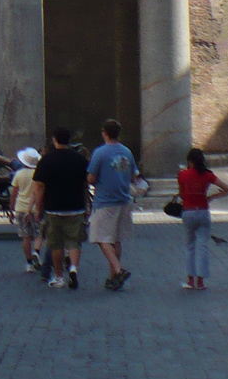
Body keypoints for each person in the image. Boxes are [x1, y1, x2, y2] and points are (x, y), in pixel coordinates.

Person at [33, 128, 89, 290]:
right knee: (74, 242)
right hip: (76, 207)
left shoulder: (47, 159)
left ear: (55, 140)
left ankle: (59, 277)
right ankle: (73, 269)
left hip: (53, 208)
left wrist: (38, 209)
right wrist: (86, 206)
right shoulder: (79, 159)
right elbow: (86, 183)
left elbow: (39, 186)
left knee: (56, 244)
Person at [86, 119, 138, 291]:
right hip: (124, 199)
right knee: (116, 239)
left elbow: (91, 178)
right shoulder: (127, 152)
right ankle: (113, 276)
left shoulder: (100, 153)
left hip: (105, 201)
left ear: (104, 132)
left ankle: (118, 269)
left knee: (101, 237)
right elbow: (133, 176)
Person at [174, 147, 228, 290]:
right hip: (203, 211)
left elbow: (181, 194)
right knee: (203, 246)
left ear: (189, 161)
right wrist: (211, 197)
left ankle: (190, 280)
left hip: (188, 212)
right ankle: (201, 281)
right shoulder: (208, 175)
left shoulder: (182, 175)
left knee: (190, 246)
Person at [9, 147, 43, 273]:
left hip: (21, 207)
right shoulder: (39, 174)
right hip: (35, 207)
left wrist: (11, 210)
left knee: (25, 236)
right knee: (39, 234)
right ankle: (37, 252)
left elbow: (14, 193)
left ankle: (29, 263)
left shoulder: (19, 174)